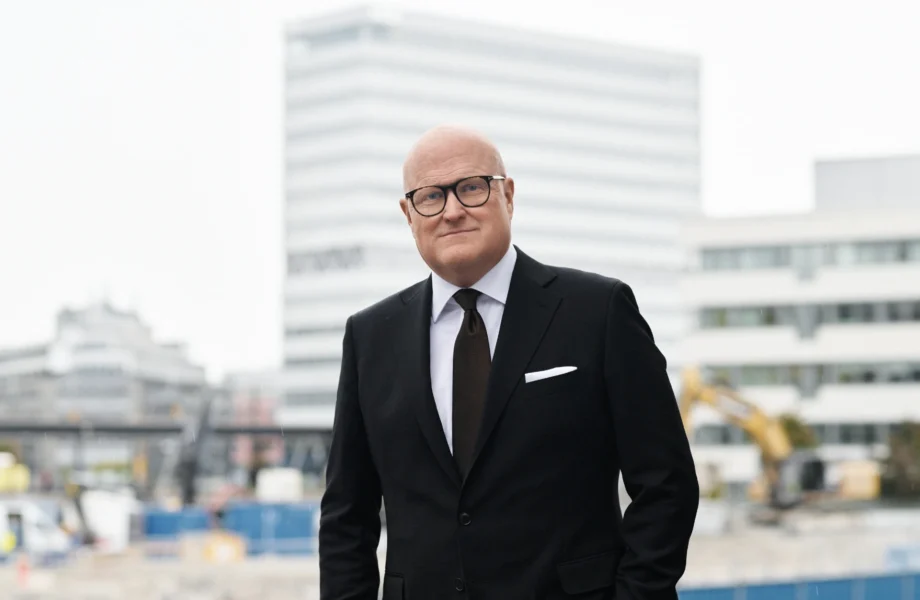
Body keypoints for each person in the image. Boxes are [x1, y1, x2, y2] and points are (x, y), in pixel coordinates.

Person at [319, 125, 699, 600]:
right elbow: (347, 516)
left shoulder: (598, 312)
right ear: (408, 214)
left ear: (509, 195)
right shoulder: (370, 336)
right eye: (430, 196)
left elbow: (666, 485)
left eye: (471, 187)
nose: (452, 211)